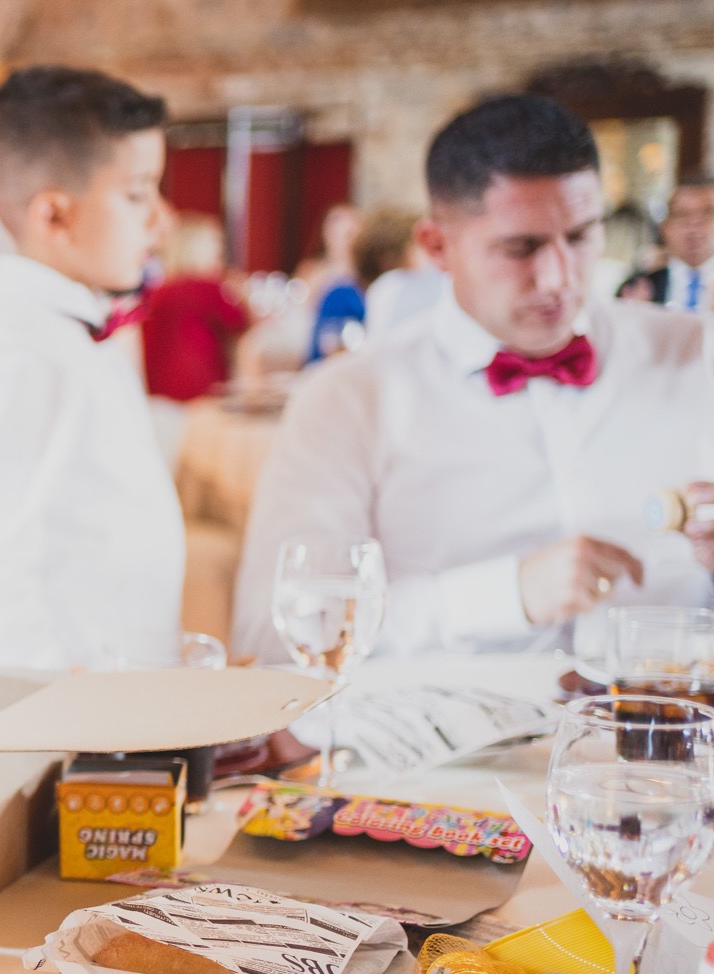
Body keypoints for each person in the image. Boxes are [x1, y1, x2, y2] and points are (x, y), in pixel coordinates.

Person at [233, 95, 714, 661]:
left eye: (581, 236)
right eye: (522, 247)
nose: (559, 278)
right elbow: (274, 636)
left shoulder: (696, 354)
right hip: (441, 720)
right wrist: (504, 596)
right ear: (437, 246)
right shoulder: (347, 399)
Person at [0, 66, 183, 670]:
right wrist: (65, 717)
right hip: (63, 706)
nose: (162, 219)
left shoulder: (75, 329)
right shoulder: (13, 354)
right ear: (54, 217)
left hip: (121, 686)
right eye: (137, 194)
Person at [143, 211, 249, 404]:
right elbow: (240, 322)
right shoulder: (208, 287)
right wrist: (242, 295)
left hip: (156, 386)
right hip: (200, 387)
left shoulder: (156, 290)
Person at [619, 175, 714, 313]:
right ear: (664, 227)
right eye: (682, 214)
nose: (694, 224)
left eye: (707, 212)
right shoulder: (641, 286)